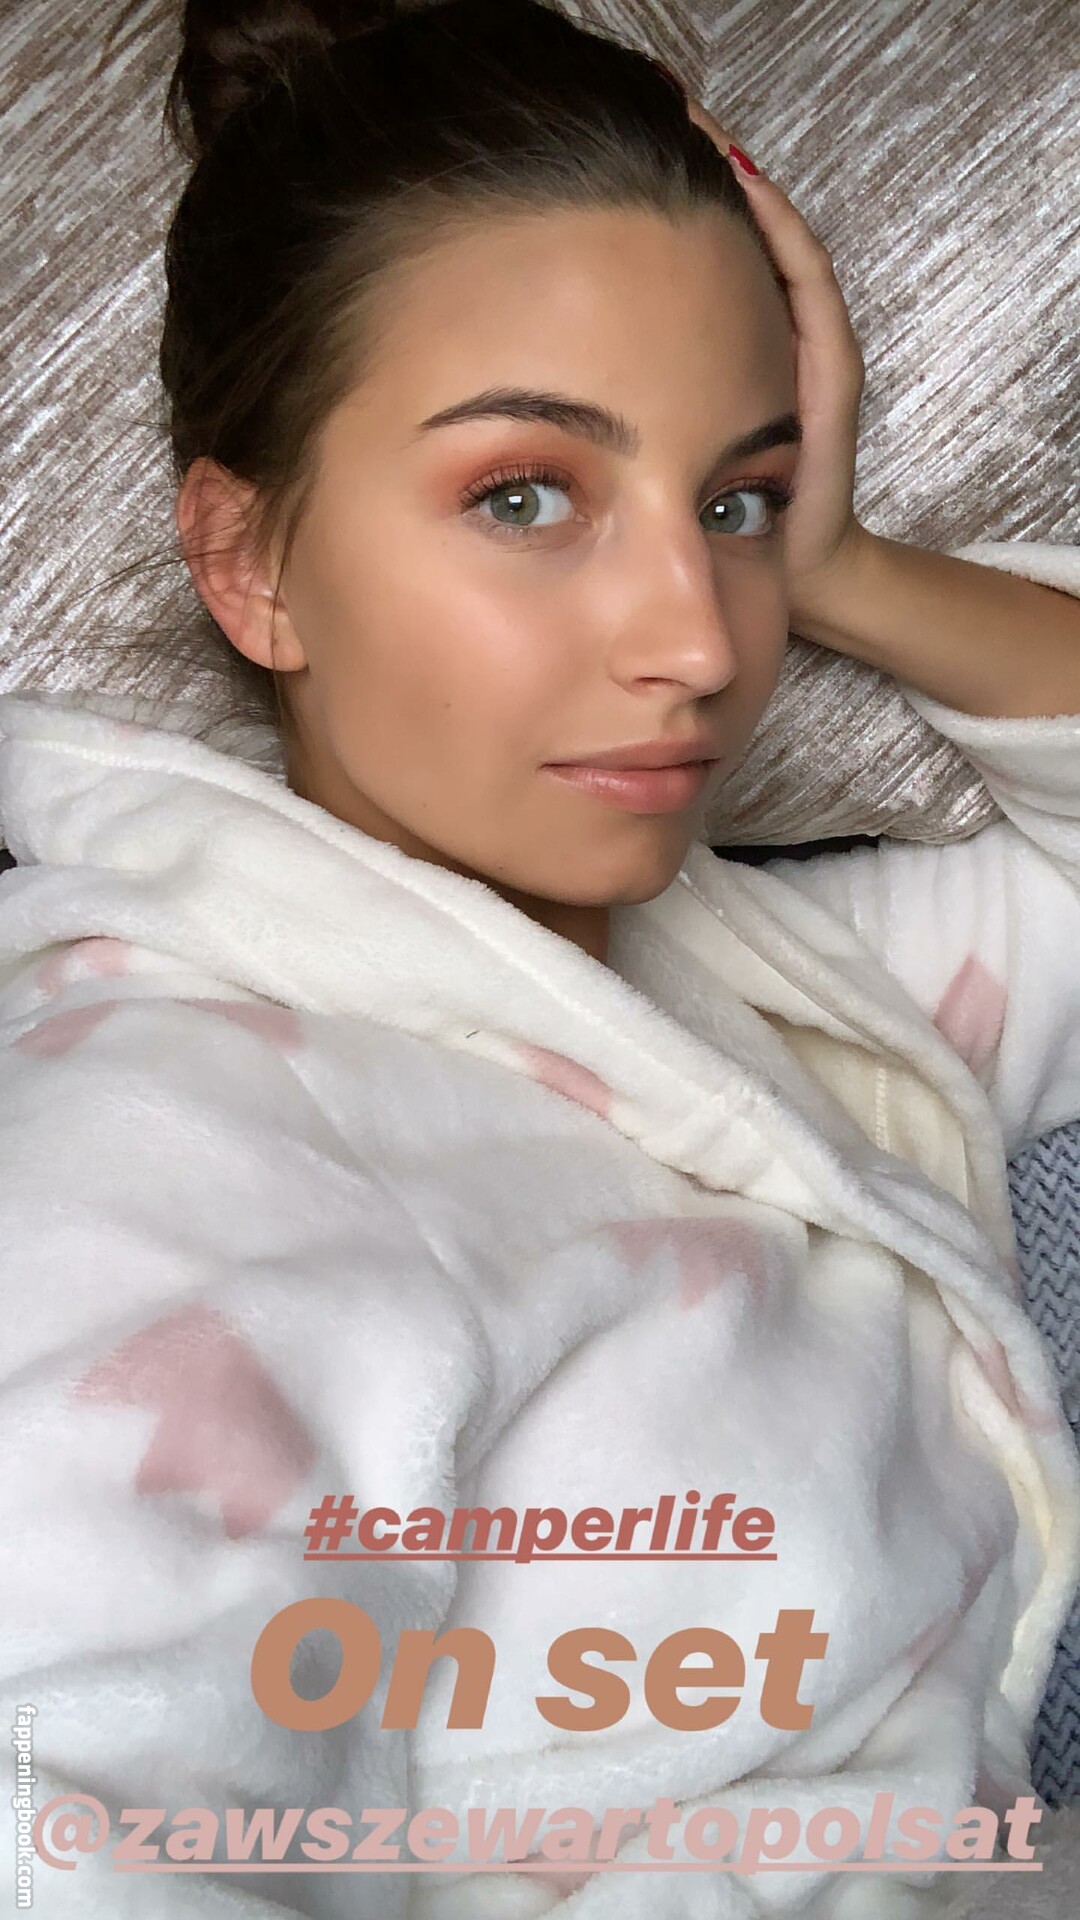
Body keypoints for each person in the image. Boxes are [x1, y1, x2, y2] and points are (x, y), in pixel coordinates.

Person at [1, 2, 1079, 1914]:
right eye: (526, 495)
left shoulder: (773, 1010)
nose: (701, 637)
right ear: (248, 563)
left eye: (733, 501)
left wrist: (846, 564)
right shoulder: (160, 1145)